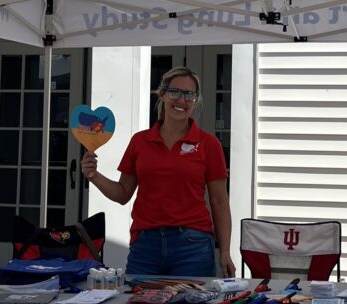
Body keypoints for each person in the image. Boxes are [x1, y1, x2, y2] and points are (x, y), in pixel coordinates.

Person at [81, 66, 235, 278]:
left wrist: (225, 252)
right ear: (162, 94)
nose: (182, 100)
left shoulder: (209, 144)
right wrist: (94, 176)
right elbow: (123, 193)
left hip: (193, 245)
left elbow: (219, 202)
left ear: (196, 100)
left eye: (189, 94)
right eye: (175, 92)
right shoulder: (140, 141)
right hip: (146, 245)